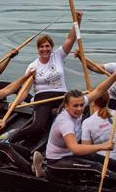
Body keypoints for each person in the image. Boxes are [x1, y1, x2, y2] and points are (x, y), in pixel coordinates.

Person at [38, 65, 116, 190]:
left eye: (81, 105)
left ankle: (114, 184)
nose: (79, 109)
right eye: (75, 106)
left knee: (113, 163)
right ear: (66, 106)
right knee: (96, 167)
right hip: (57, 162)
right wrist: (102, 146)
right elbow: (75, 149)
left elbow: (100, 90)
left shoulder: (79, 105)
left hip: (71, 156)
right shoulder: (65, 122)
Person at [9, 11, 83, 152]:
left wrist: (77, 21)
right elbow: (25, 90)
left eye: (47, 46)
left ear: (51, 47)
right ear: (38, 49)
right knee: (38, 126)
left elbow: (70, 39)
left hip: (62, 96)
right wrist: (16, 103)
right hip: (42, 98)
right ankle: (12, 139)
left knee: (79, 112)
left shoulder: (58, 56)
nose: (45, 49)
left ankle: (74, 142)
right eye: (42, 47)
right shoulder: (33, 66)